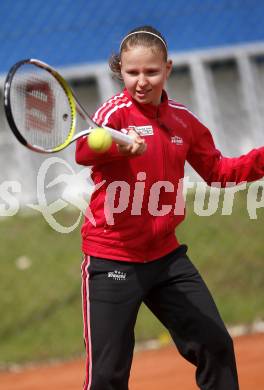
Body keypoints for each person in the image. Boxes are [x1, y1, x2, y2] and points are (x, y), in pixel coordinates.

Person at [75, 25, 264, 390]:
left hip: (166, 260)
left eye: (151, 71)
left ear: (168, 69)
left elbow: (219, 172)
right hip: (112, 260)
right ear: (120, 72)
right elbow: (84, 150)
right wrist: (119, 147)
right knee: (106, 375)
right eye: (132, 73)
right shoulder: (114, 113)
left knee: (215, 345)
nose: (141, 81)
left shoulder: (183, 121)